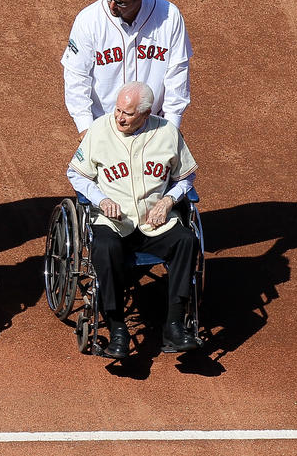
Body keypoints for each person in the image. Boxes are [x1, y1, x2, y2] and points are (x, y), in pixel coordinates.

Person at [67, 81, 199, 359]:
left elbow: (186, 177)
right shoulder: (100, 130)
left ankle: (174, 325)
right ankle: (117, 328)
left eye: (127, 113)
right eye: (117, 110)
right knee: (105, 248)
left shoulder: (167, 133)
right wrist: (100, 199)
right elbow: (76, 174)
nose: (119, 117)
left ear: (146, 112)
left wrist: (168, 201)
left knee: (186, 241)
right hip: (113, 223)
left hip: (155, 222)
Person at [61, 0, 193, 133]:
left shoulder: (169, 17)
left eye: (120, 3)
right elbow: (76, 77)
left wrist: (172, 127)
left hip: (153, 126)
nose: (111, 7)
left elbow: (177, 74)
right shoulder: (89, 20)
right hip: (104, 126)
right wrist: (85, 127)